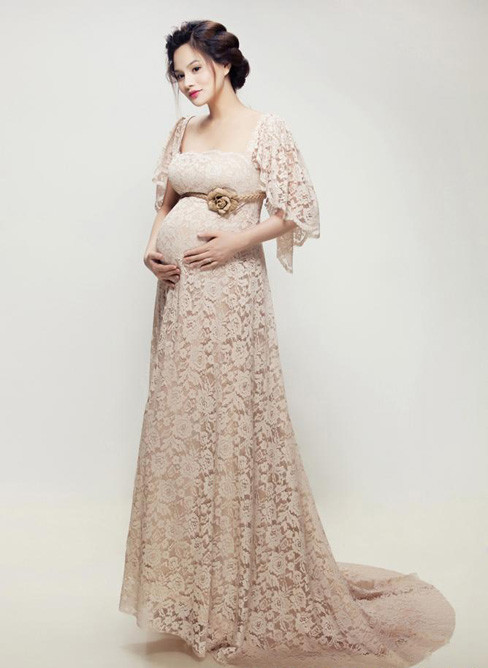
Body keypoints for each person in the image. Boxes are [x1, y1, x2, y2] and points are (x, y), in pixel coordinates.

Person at [119, 19, 455, 668]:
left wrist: (236, 240)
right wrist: (150, 249)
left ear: (223, 63)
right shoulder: (182, 132)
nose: (187, 83)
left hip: (231, 294)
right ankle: (191, 594)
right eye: (178, 74)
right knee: (185, 428)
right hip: (180, 296)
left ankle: (232, 595)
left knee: (228, 425)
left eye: (195, 68)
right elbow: (165, 203)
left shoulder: (266, 129)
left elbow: (298, 208)